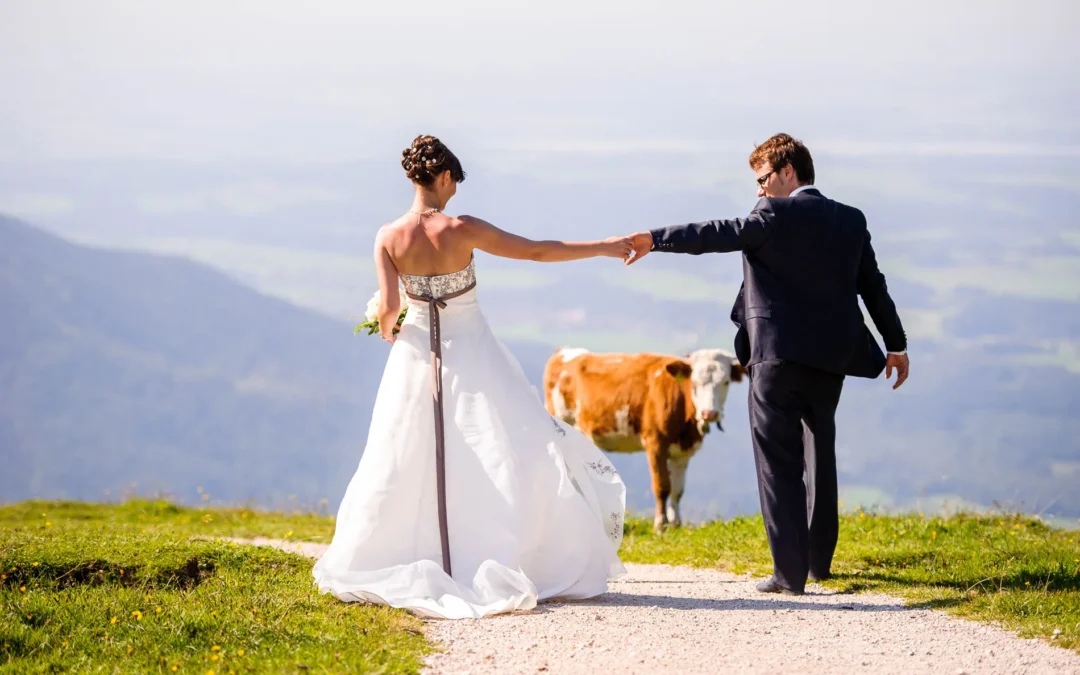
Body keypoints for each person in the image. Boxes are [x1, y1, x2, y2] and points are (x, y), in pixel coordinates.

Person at [312, 135, 632, 618]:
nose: (455, 191)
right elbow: (537, 252)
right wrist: (604, 247)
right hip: (474, 354)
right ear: (444, 177)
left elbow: (391, 308)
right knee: (504, 447)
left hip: (414, 359)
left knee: (403, 455)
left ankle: (407, 553)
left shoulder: (387, 237)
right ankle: (505, 552)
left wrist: (387, 327)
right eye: (455, 182)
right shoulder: (462, 228)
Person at [624, 133, 909, 595]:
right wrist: (895, 344)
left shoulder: (772, 214)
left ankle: (788, 574)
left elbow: (716, 233)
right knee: (820, 453)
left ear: (787, 172)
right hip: (830, 359)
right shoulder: (851, 220)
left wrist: (655, 240)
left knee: (777, 463)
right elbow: (872, 286)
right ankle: (818, 564)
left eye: (762, 179)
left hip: (775, 359)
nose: (758, 189)